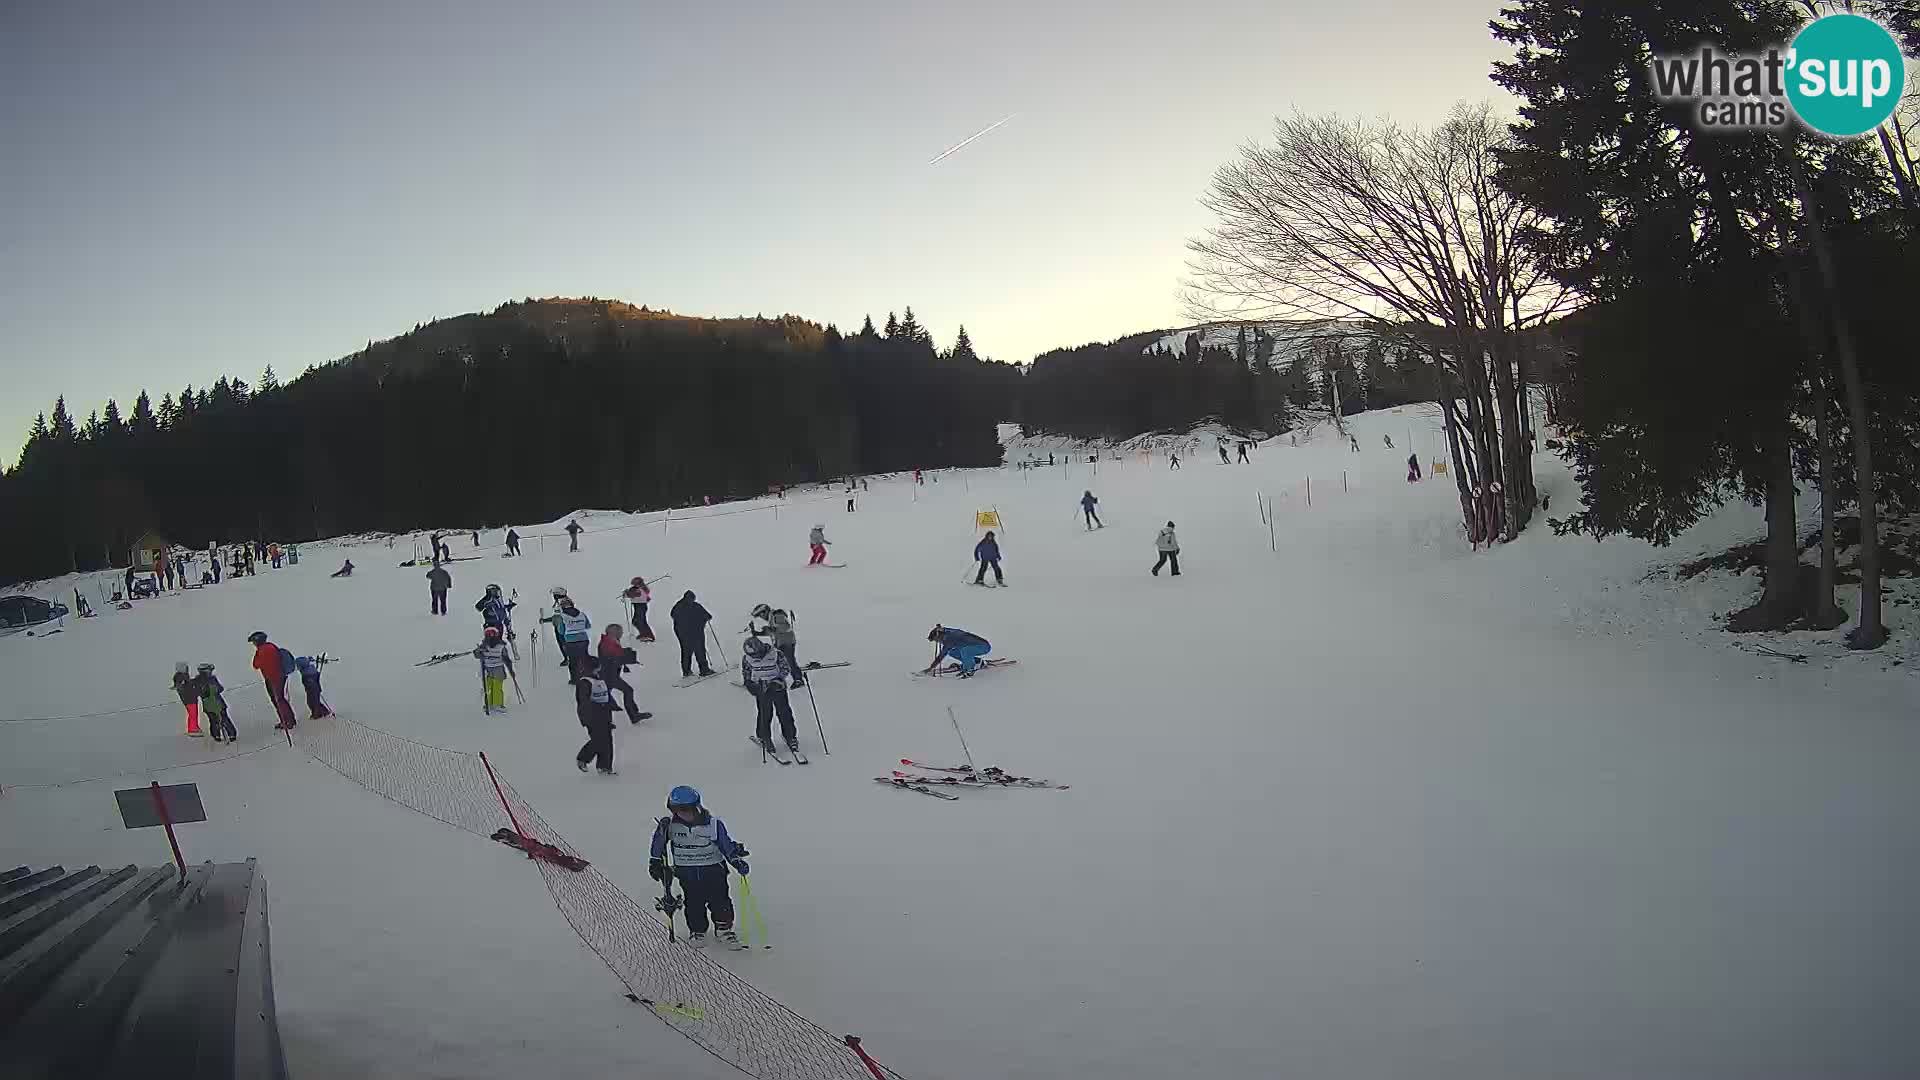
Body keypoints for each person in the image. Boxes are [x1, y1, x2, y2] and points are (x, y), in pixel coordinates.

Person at [649, 787, 750, 948]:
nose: (681, 814)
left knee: (720, 901)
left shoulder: (713, 825)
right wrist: (655, 862)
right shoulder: (669, 826)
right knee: (694, 902)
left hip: (713, 870)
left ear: (696, 807)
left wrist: (736, 861)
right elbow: (658, 844)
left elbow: (726, 846)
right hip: (687, 872)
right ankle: (697, 931)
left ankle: (724, 930)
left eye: (685, 810)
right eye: (676, 810)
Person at [741, 635, 799, 756]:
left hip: (777, 688)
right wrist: (749, 684)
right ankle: (764, 737)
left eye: (756, 654)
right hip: (761, 689)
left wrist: (777, 681)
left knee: (784, 713)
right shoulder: (747, 658)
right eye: (752, 655)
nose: (754, 657)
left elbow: (785, 669)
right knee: (764, 714)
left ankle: (790, 736)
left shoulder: (776, 654)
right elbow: (747, 672)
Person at [573, 653, 617, 774]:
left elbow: (606, 696)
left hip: (605, 716)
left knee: (607, 741)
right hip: (592, 717)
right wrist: (589, 717)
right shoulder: (585, 682)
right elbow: (584, 702)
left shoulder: (599, 680)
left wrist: (613, 706)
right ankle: (583, 758)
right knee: (599, 740)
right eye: (597, 667)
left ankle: (605, 767)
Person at [596, 624, 647, 724]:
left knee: (605, 699)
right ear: (614, 633)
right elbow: (614, 657)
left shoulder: (609, 641)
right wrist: (627, 656)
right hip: (609, 675)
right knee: (627, 691)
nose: (622, 634)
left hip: (609, 674)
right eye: (620, 632)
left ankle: (605, 721)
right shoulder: (608, 644)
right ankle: (633, 715)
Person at [249, 631, 299, 730]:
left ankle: (287, 721)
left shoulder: (262, 651)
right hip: (280, 676)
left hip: (273, 679)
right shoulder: (271, 646)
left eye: (253, 642)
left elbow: (256, 665)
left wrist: (257, 654)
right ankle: (290, 719)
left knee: (278, 700)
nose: (253, 644)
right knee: (280, 699)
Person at [751, 604, 805, 685]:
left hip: (786, 642)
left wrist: (770, 629)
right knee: (780, 662)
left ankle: (798, 680)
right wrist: (756, 632)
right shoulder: (771, 619)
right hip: (780, 643)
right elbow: (772, 632)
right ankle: (776, 680)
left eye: (760, 615)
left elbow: (785, 627)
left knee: (789, 661)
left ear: (765, 611)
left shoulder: (777, 615)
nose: (761, 618)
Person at [671, 591, 716, 678]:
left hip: (697, 632)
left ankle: (704, 670)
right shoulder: (679, 607)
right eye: (690, 599)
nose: (691, 601)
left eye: (692, 599)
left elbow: (708, 615)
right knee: (687, 651)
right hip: (684, 634)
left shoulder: (696, 606)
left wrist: (706, 617)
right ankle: (687, 671)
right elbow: (675, 616)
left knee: (700, 650)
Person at [548, 595, 594, 679]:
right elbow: (588, 626)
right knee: (584, 658)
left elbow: (561, 631)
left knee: (573, 660)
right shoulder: (581, 614)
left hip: (570, 641)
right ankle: (587, 674)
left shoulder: (563, 616)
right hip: (584, 640)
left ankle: (574, 679)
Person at [474, 626, 515, 714]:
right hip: (490, 669)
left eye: (491, 634)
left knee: (495, 686)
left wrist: (511, 669)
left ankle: (496, 704)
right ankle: (490, 703)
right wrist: (478, 652)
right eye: (488, 634)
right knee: (489, 686)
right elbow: (477, 654)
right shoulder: (484, 646)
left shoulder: (498, 646)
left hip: (496, 669)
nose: (490, 636)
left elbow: (506, 659)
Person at [924, 624, 991, 677]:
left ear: (939, 636)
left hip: (983, 646)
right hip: (973, 647)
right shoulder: (947, 634)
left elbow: (942, 655)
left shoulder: (950, 638)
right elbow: (945, 630)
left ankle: (970, 669)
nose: (937, 642)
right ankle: (977, 661)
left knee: (965, 651)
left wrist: (931, 667)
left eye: (936, 640)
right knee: (952, 652)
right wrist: (941, 629)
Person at [194, 663, 237, 743]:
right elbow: (220, 688)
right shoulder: (212, 679)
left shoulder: (197, 680)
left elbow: (197, 692)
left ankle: (216, 735)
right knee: (224, 719)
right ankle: (231, 734)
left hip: (208, 706)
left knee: (213, 720)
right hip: (218, 703)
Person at [294, 655, 333, 719]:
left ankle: (318, 713)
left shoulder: (308, 674)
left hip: (312, 689)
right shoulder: (310, 670)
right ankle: (322, 712)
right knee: (314, 701)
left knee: (313, 702)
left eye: (298, 666)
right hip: (313, 688)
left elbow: (311, 684)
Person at [172, 661, 203, 737]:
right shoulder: (180, 677)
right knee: (192, 714)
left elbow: (187, 684)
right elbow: (184, 687)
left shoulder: (182, 676)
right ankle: (192, 729)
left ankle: (195, 727)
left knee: (194, 713)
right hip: (189, 699)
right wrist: (194, 689)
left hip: (191, 698)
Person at [622, 577, 655, 641]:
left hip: (640, 606)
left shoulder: (639, 589)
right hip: (640, 606)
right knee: (637, 621)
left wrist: (626, 593)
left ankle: (648, 635)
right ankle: (643, 633)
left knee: (640, 621)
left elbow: (633, 595)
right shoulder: (641, 588)